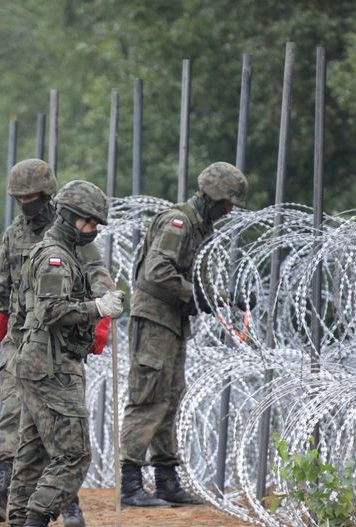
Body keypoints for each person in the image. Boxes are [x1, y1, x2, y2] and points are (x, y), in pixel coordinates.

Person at [0, 160, 113, 527]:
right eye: (19, 198)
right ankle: (3, 492)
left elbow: (99, 277)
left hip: (58, 338)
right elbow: (4, 291)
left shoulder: (72, 229)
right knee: (16, 414)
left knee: (56, 427)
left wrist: (99, 322)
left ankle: (69, 506)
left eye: (31, 197)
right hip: (22, 337)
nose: (25, 203)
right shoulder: (15, 235)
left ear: (48, 195)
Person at [120, 162, 248, 507]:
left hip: (172, 323)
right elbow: (156, 272)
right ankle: (129, 482)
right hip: (155, 322)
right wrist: (197, 295)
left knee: (171, 397)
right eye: (227, 203)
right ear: (213, 196)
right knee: (147, 398)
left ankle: (166, 480)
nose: (228, 211)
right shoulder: (179, 223)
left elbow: (191, 282)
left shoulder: (199, 228)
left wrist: (224, 298)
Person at [7, 180, 125, 527]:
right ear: (71, 217)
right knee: (73, 454)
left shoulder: (61, 251)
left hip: (39, 362)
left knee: (33, 451)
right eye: (88, 222)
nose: (91, 230)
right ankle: (36, 518)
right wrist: (97, 308)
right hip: (52, 365)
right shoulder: (56, 258)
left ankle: (19, 519)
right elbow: (51, 311)